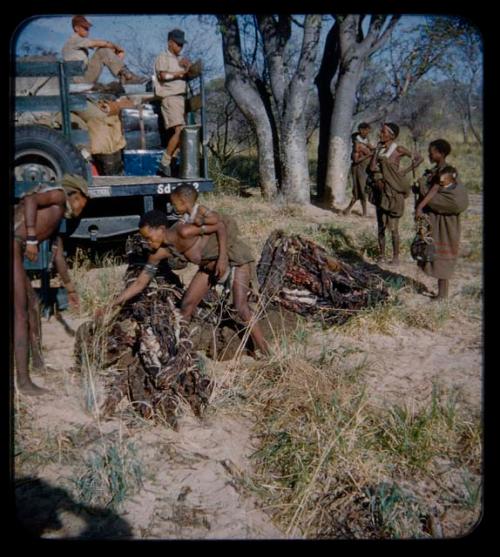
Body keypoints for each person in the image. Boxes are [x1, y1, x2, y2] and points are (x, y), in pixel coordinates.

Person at [110, 204, 270, 356]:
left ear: (161, 229)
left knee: (241, 307)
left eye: (149, 237)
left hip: (234, 259)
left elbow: (220, 226)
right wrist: (114, 303)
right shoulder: (158, 254)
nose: (148, 242)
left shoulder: (183, 231)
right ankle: (181, 351)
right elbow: (140, 283)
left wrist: (222, 258)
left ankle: (266, 352)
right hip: (208, 269)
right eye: (145, 239)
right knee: (186, 305)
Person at [13, 175, 89, 395]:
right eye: (85, 201)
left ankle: (37, 363)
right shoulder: (58, 196)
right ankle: (23, 382)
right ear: (76, 194)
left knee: (34, 304)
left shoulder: (58, 215)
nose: (84, 207)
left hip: (18, 246)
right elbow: (29, 200)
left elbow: (58, 257)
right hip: (15, 243)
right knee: (20, 313)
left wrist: (70, 288)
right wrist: (31, 238)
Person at [368, 122, 423, 265]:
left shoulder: (398, 149)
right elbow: (372, 167)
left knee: (393, 227)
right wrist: (375, 152)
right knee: (381, 225)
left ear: (392, 135)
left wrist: (404, 171)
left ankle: (396, 257)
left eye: (383, 132)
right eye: (381, 131)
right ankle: (381, 255)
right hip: (380, 191)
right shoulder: (379, 149)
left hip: (393, 192)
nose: (380, 133)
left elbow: (419, 158)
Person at [415, 166, 469, 299]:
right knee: (436, 256)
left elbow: (439, 202)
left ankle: (442, 295)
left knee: (444, 261)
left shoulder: (456, 193)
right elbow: (433, 193)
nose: (441, 183)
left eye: (443, 181)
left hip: (448, 229)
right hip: (437, 227)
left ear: (453, 178)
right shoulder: (441, 186)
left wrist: (423, 190)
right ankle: (441, 294)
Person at [62, 14, 146, 85]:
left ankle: (125, 76)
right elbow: (99, 43)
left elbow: (99, 47)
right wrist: (118, 49)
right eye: (84, 27)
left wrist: (114, 54)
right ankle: (128, 77)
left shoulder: (78, 42)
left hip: (79, 79)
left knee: (103, 51)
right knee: (102, 51)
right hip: (79, 80)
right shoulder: (74, 40)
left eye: (88, 27)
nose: (88, 30)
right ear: (76, 28)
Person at [154, 29, 191, 177]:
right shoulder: (163, 57)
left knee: (182, 133)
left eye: (182, 45)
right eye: (178, 44)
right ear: (170, 43)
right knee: (180, 131)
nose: (180, 47)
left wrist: (188, 67)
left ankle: (171, 162)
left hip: (180, 98)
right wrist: (181, 73)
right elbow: (163, 75)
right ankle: (165, 161)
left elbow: (187, 74)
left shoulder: (179, 58)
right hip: (170, 97)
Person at [343, 123, 375, 217]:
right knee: (361, 190)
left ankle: (347, 209)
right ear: (361, 130)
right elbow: (356, 160)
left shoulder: (365, 140)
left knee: (359, 190)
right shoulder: (357, 144)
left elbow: (372, 147)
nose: (367, 133)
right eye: (366, 131)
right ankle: (364, 213)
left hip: (364, 169)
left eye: (369, 131)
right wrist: (369, 155)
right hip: (358, 169)